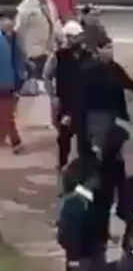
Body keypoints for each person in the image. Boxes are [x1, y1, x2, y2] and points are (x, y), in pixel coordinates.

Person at [57, 155, 108, 271]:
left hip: (86, 253)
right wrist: (75, 257)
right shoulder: (76, 203)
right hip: (80, 255)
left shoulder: (85, 200)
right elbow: (68, 234)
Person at [79, 37, 133, 152]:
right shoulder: (90, 69)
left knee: (116, 143)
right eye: (108, 48)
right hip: (100, 113)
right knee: (101, 147)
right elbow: (83, 93)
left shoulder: (114, 67)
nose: (111, 50)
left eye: (112, 47)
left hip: (116, 111)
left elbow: (127, 82)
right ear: (99, 50)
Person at [45, 20, 91, 168]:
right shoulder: (58, 56)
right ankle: (63, 165)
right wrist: (52, 96)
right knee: (64, 138)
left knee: (85, 138)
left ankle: (85, 167)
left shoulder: (87, 55)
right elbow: (47, 75)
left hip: (84, 103)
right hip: (65, 103)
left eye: (78, 36)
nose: (76, 39)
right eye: (73, 37)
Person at [15, 0, 62, 88]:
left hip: (49, 52)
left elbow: (55, 22)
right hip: (34, 54)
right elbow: (18, 31)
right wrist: (23, 54)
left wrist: (61, 41)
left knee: (49, 84)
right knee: (37, 86)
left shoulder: (50, 3)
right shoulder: (25, 7)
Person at [0, 12, 25, 154]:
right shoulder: (6, 39)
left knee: (5, 113)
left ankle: (15, 141)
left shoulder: (12, 38)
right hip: (7, 82)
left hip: (7, 83)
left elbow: (18, 59)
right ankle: (14, 141)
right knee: (5, 113)